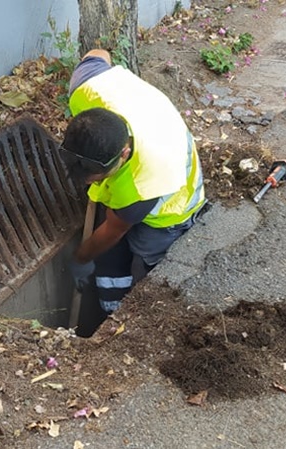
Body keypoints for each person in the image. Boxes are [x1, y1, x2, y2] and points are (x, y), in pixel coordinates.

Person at [60, 48, 205, 318]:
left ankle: (130, 310)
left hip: (172, 206)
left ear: (124, 154)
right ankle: (109, 301)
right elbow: (98, 53)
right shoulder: (87, 88)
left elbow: (114, 230)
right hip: (148, 136)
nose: (87, 181)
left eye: (96, 176)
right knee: (112, 242)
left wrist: (81, 258)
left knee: (147, 252)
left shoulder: (144, 183)